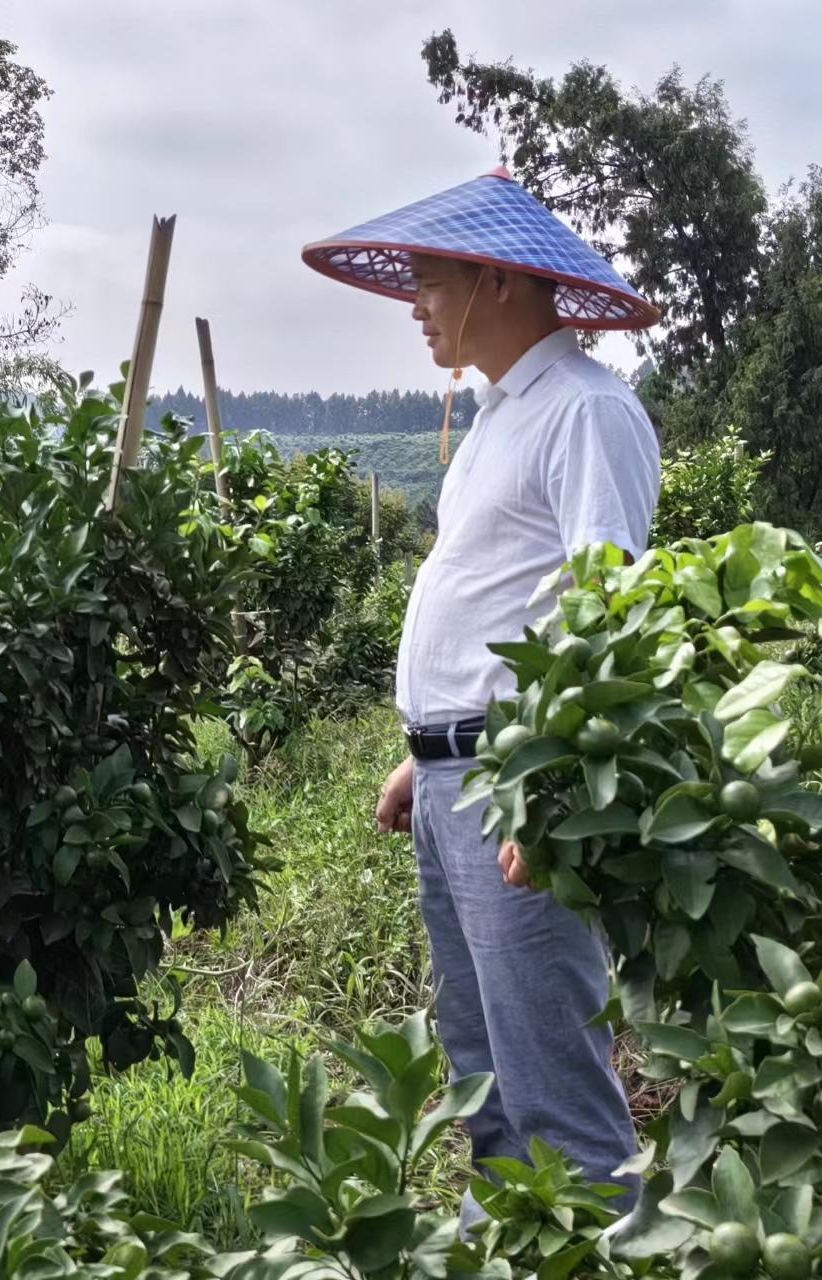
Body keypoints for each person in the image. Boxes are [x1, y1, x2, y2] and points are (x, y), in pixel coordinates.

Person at [301, 170, 665, 1207]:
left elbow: (606, 617)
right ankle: (507, 1237)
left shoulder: (587, 412)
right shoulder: (502, 417)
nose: (414, 305)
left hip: (517, 790)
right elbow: (504, 608)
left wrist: (551, 793)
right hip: (459, 775)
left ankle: (599, 1241)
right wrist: (425, 751)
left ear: (496, 281)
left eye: (428, 280)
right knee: (484, 1071)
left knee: (553, 1085)